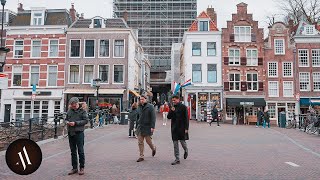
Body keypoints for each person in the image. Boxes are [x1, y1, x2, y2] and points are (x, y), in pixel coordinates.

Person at [66, 97, 89, 175]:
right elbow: (66, 118)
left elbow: (86, 120)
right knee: (73, 151)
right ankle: (74, 168)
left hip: (79, 133)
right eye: (72, 105)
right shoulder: (69, 111)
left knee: (80, 151)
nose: (73, 106)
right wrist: (67, 122)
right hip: (71, 133)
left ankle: (82, 167)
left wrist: (75, 123)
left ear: (77, 104)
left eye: (74, 105)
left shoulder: (82, 111)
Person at [167, 95, 189, 165]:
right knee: (175, 144)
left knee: (183, 142)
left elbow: (186, 118)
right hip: (174, 128)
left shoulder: (183, 107)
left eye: (174, 100)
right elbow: (168, 117)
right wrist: (171, 111)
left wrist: (186, 128)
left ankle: (186, 150)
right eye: (172, 100)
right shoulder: (172, 107)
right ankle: (177, 159)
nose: (173, 102)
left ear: (178, 100)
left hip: (182, 127)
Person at [136, 95, 157, 162]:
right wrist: (136, 125)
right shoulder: (138, 107)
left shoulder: (150, 107)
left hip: (147, 127)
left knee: (148, 141)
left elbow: (153, 117)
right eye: (140, 99)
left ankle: (153, 148)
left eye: (143, 99)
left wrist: (152, 127)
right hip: (140, 127)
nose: (141, 100)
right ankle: (141, 156)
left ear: (146, 99)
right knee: (140, 142)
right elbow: (137, 117)